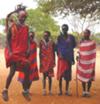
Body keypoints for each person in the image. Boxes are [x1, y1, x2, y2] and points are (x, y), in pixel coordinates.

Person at [2, 7, 30, 101]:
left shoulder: (26, 27)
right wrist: (10, 51)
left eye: (24, 17)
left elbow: (27, 40)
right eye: (22, 17)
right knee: (12, 72)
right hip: (14, 52)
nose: (23, 18)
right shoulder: (12, 26)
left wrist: (28, 48)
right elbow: (8, 39)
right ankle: (5, 90)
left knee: (27, 69)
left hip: (22, 53)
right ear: (18, 17)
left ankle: (25, 91)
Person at [56, 24, 76, 96]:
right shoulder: (59, 37)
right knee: (61, 75)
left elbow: (72, 48)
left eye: (65, 28)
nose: (64, 30)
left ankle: (67, 90)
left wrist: (73, 59)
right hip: (61, 59)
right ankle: (60, 90)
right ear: (62, 29)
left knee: (67, 75)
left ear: (67, 29)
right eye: (63, 28)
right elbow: (57, 48)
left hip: (68, 59)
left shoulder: (71, 37)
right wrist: (59, 54)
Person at [18, 31, 39, 95]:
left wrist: (34, 63)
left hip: (32, 63)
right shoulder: (24, 44)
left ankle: (27, 90)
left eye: (32, 36)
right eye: (29, 36)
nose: (30, 37)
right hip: (25, 63)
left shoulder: (34, 44)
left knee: (31, 77)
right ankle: (24, 90)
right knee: (23, 76)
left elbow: (34, 54)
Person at [76, 29, 96, 97]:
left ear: (89, 34)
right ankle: (84, 91)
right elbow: (79, 51)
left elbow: (93, 53)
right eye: (84, 33)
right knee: (83, 77)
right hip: (82, 62)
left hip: (90, 63)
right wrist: (78, 57)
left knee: (89, 77)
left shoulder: (92, 42)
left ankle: (88, 91)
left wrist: (92, 62)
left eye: (86, 33)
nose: (85, 34)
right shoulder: (81, 42)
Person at [39, 31, 55, 95]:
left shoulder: (52, 42)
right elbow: (40, 52)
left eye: (46, 35)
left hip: (50, 61)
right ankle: (44, 89)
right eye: (44, 35)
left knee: (50, 76)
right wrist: (40, 62)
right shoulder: (41, 42)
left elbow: (53, 52)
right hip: (43, 61)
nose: (45, 36)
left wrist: (54, 61)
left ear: (49, 36)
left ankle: (50, 90)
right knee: (44, 76)